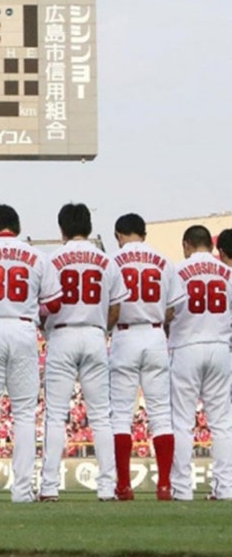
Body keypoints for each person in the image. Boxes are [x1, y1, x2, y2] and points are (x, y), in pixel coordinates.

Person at [0, 204, 62, 503]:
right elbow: (55, 304)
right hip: (23, 328)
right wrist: (35, 313)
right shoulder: (37, 256)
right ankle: (22, 491)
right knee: (24, 415)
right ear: (18, 228)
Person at [39, 203, 126, 502]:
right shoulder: (106, 260)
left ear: (61, 228)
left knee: (55, 415)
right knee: (102, 416)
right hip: (93, 334)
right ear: (88, 227)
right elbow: (116, 308)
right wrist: (102, 329)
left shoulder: (52, 259)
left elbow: (44, 306)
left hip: (62, 333)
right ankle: (106, 487)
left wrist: (46, 329)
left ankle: (49, 487)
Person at [109, 213, 184, 500]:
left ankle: (124, 486)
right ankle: (165, 485)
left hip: (125, 334)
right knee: (161, 415)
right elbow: (172, 309)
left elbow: (110, 306)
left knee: (121, 417)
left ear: (118, 234)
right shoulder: (164, 260)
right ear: (144, 233)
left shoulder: (114, 261)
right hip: (154, 335)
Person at [169, 226, 232, 500]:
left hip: (186, 346)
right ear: (211, 245)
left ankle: (182, 489)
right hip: (220, 346)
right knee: (222, 424)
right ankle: (226, 487)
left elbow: (167, 312)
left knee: (182, 422)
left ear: (187, 245)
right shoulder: (228, 272)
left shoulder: (177, 271)